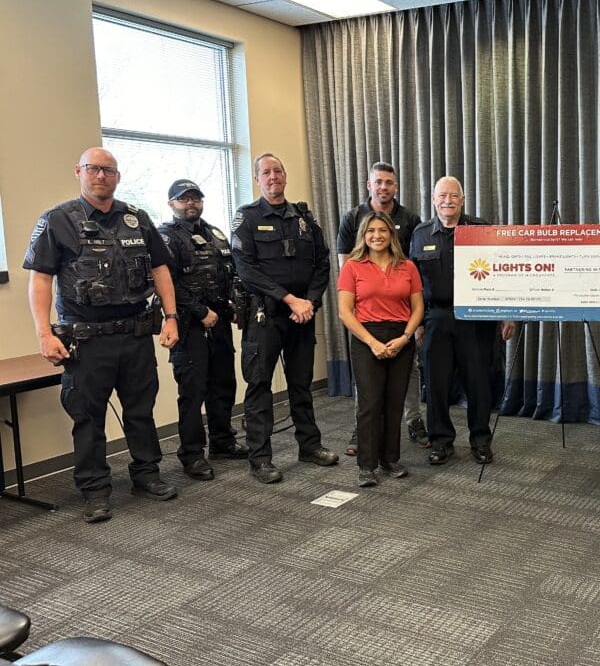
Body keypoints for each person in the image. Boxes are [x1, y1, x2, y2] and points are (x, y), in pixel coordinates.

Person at [24, 147, 180, 523]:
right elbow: (41, 279)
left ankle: (147, 475)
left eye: (109, 171)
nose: (101, 176)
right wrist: (44, 333)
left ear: (117, 177)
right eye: (94, 169)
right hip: (86, 340)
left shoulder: (136, 219)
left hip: (135, 335)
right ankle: (95, 489)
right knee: (88, 417)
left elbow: (160, 270)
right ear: (79, 171)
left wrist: (172, 317)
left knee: (141, 411)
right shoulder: (57, 220)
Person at [231, 153, 338, 483]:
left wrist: (309, 301)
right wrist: (290, 299)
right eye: (266, 172)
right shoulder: (246, 219)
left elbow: (323, 263)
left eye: (278, 170)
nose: (273, 176)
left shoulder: (304, 218)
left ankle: (309, 445)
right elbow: (246, 270)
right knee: (260, 386)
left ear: (285, 176)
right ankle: (260, 458)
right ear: (257, 180)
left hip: (301, 317)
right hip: (265, 316)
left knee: (301, 384)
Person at [408, 176, 515, 465]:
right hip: (435, 318)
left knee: (479, 383)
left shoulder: (482, 230)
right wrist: (416, 323)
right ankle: (441, 442)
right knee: (437, 384)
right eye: (442, 195)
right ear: (433, 200)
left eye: (454, 195)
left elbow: (501, 273)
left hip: (476, 318)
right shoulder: (420, 234)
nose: (447, 200)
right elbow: (412, 284)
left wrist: (506, 314)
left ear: (463, 199)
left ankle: (480, 441)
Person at [337, 162, 428, 455]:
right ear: (369, 185)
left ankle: (413, 421)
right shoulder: (352, 217)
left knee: (409, 371)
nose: (383, 187)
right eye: (378, 182)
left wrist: (417, 322)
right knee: (366, 378)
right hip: (364, 312)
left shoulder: (410, 218)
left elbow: (414, 269)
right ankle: (361, 426)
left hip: (403, 314)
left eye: (389, 182)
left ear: (396, 187)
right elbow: (344, 264)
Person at [158, 179, 244, 482]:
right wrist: (199, 311)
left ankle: (223, 441)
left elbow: (229, 271)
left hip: (218, 321)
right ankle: (192, 454)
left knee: (223, 384)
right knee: (192, 392)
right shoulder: (165, 238)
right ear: (171, 204)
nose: (190, 203)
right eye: (183, 199)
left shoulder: (215, 234)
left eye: (195, 198)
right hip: (188, 325)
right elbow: (167, 284)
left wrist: (232, 304)